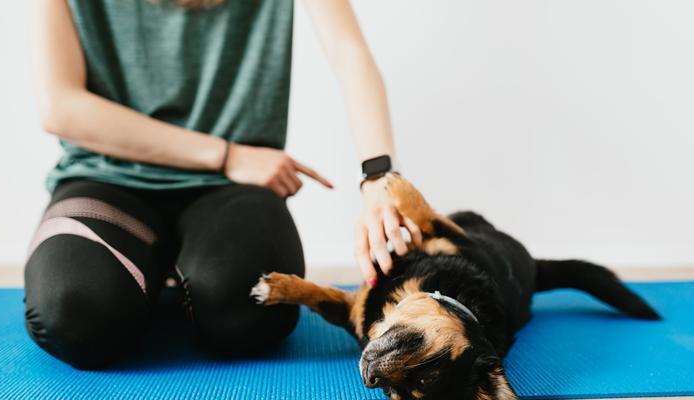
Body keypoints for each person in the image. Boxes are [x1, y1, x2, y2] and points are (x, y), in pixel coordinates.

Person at [26, 0, 422, 370]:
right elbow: (60, 106)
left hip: (230, 190)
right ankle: (151, 282)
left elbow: (349, 53)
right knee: (75, 313)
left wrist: (379, 179)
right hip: (106, 179)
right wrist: (227, 154)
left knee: (248, 309)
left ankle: (172, 284)